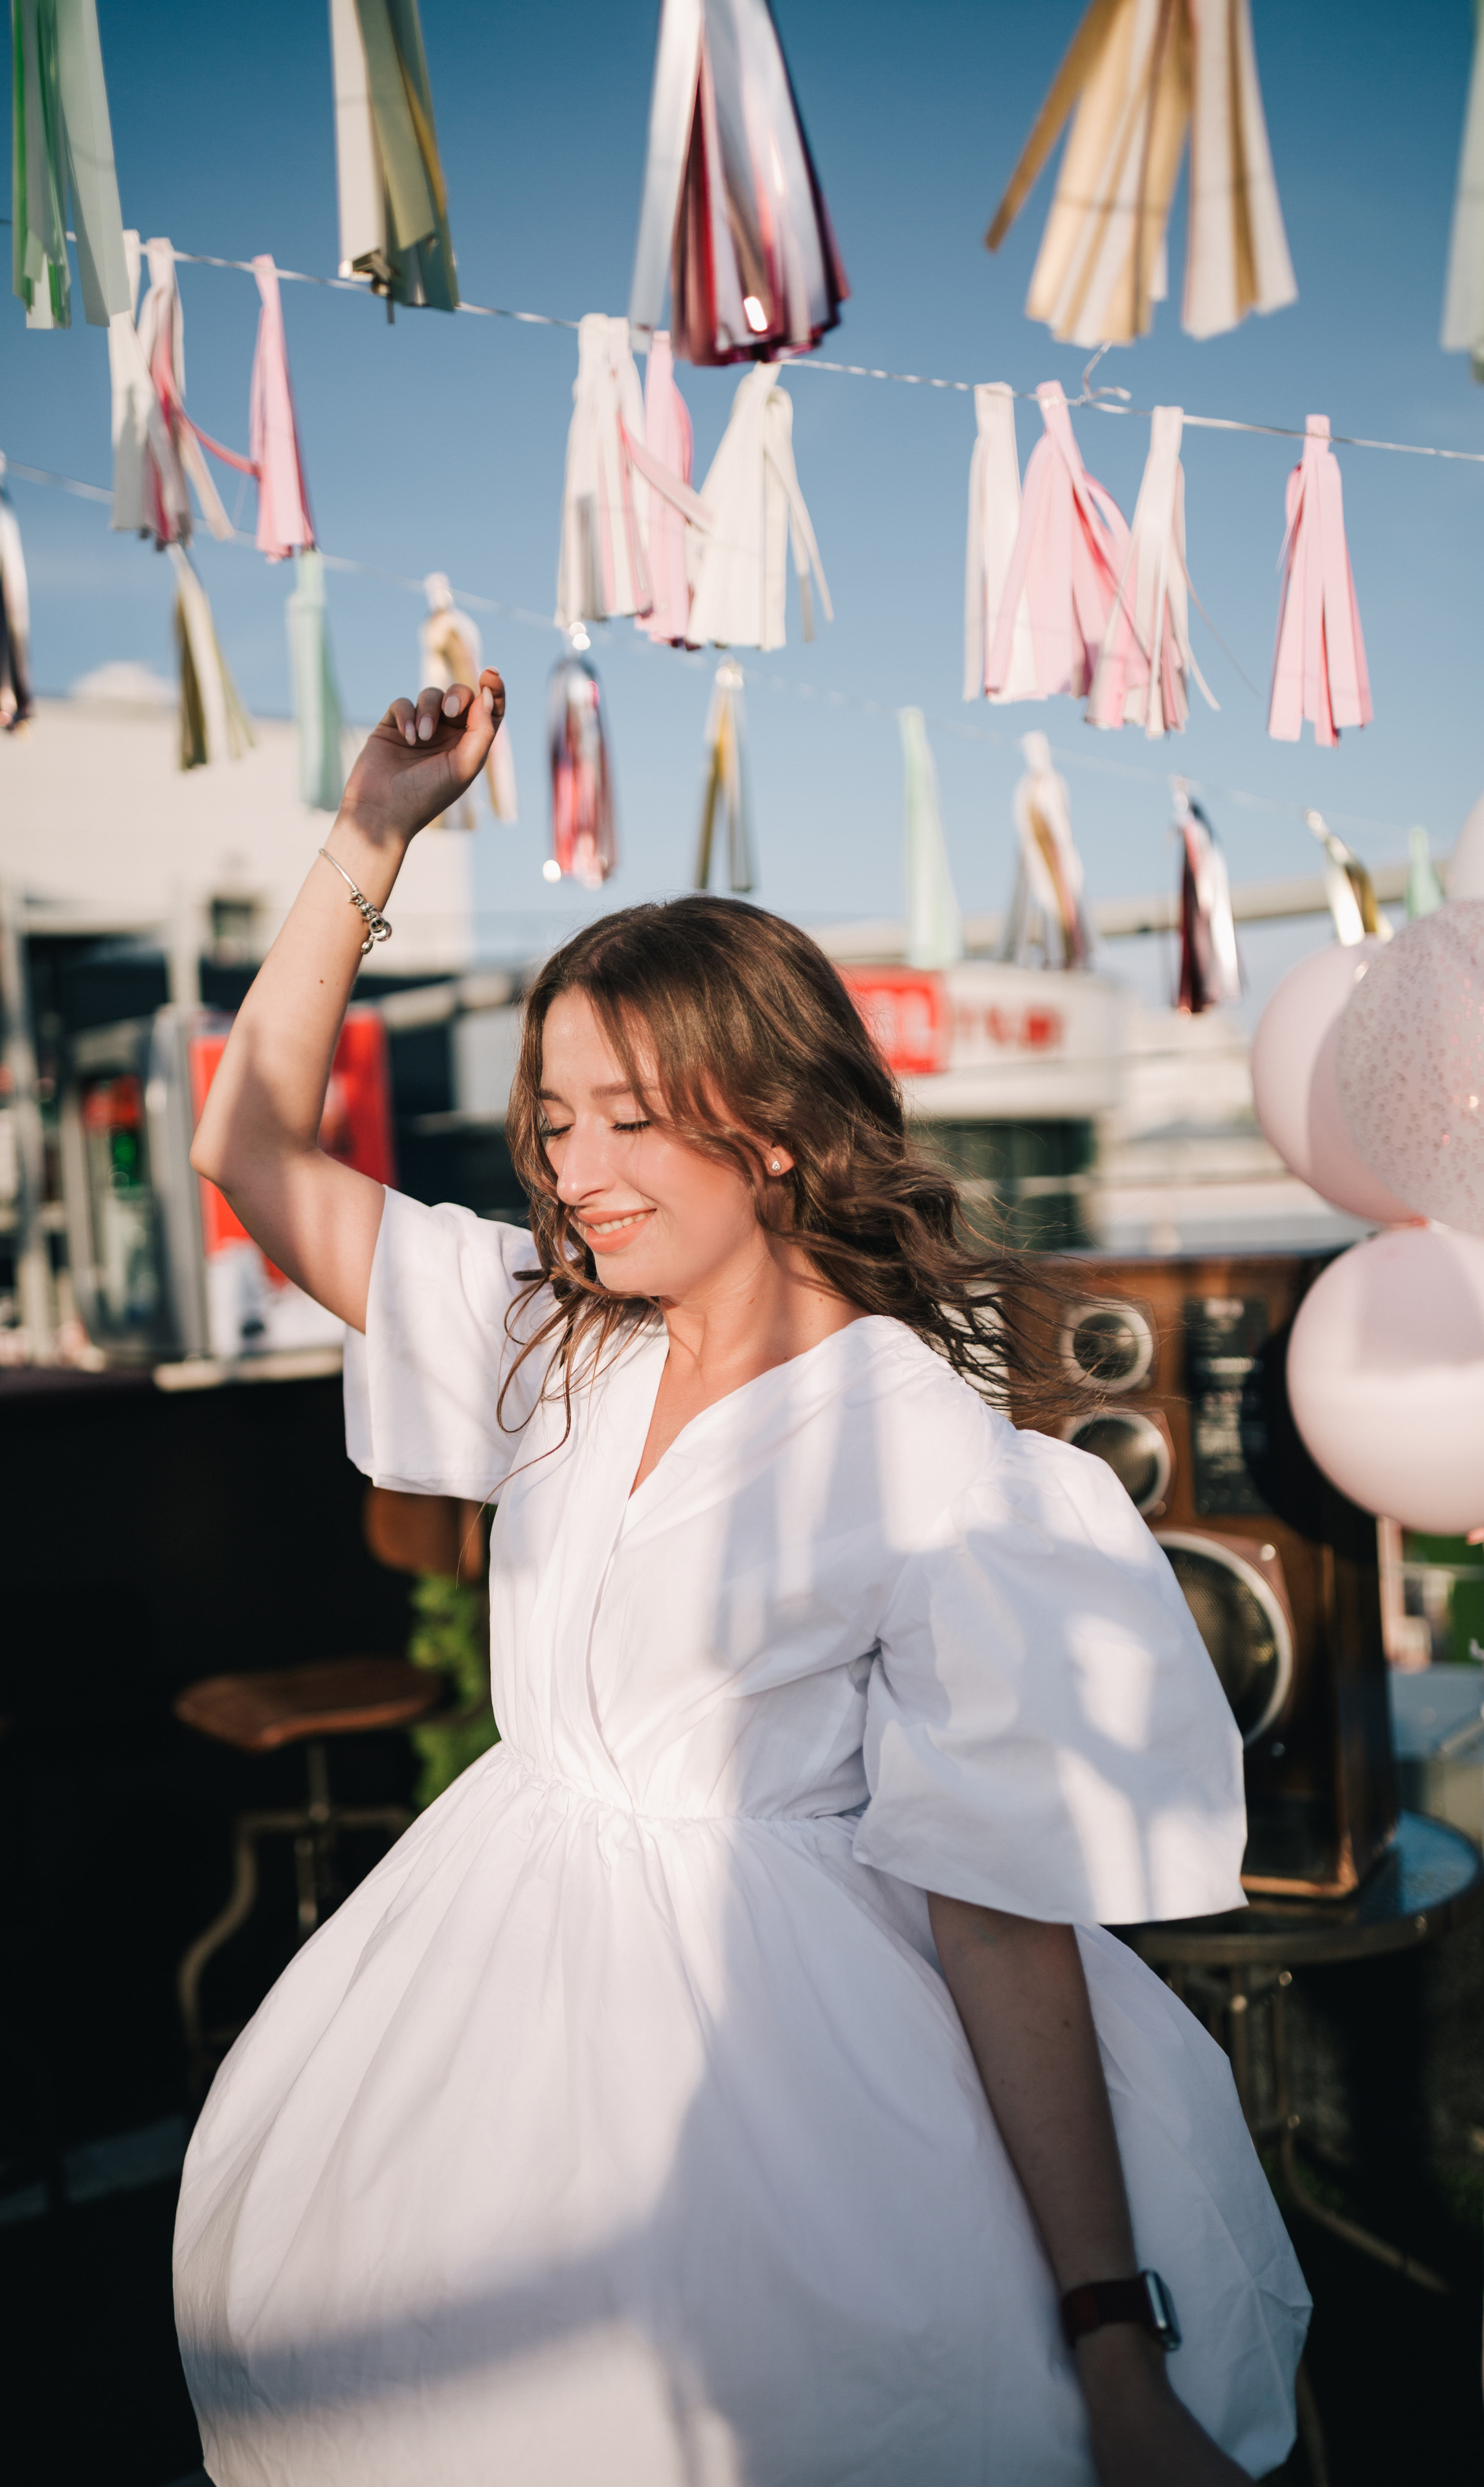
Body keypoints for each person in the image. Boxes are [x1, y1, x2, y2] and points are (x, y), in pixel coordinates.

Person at [174, 672, 1308, 2487]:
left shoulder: (929, 1460)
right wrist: (369, 836)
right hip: (485, 2016)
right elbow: (250, 1151)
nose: (571, 1171)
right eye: (554, 1122)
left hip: (791, 2095)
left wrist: (1108, 2335)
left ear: (770, 1126)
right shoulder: (554, 1343)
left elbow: (1000, 1917)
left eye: (627, 1121)